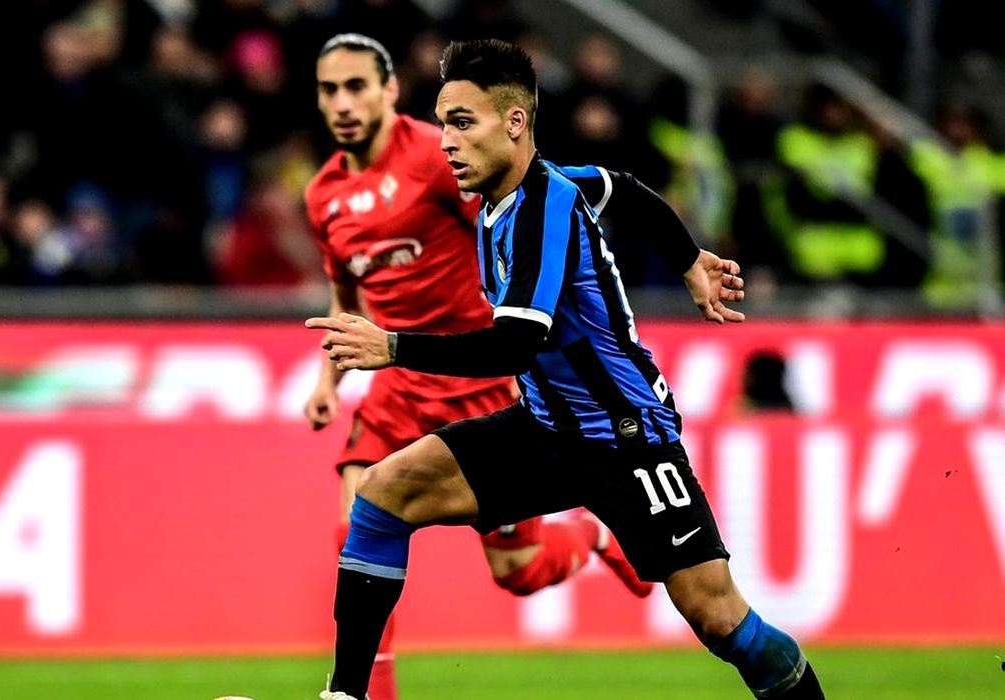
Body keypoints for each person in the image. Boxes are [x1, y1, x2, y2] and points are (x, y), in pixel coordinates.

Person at [307, 39, 826, 700]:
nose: (447, 143)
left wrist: (393, 347)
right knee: (384, 492)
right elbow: (625, 190)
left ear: (514, 122)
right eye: (442, 125)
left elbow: (514, 346)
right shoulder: (508, 194)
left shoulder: (543, 207)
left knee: (719, 617)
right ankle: (347, 696)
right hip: (547, 429)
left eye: (462, 123)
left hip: (626, 438)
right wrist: (689, 259)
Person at [303, 33, 653, 700]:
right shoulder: (324, 195)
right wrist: (328, 382)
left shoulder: (438, 158)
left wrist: (533, 330)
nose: (343, 103)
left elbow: (518, 223)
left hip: (476, 386)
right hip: (396, 389)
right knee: (357, 528)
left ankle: (589, 535)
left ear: (389, 91)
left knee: (519, 570)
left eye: (356, 86)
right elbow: (346, 296)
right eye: (329, 90)